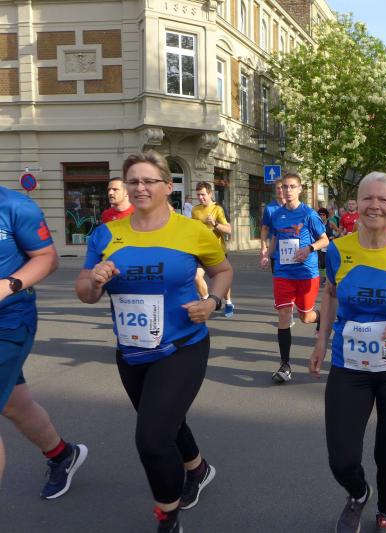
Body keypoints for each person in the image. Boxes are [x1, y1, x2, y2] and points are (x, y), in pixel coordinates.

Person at [75, 151, 233, 533]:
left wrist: (212, 302)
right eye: (133, 181)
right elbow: (85, 293)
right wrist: (95, 280)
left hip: (183, 346)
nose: (140, 187)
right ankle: (198, 469)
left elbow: (222, 270)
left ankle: (168, 517)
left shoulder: (193, 231)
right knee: (164, 419)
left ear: (167, 186)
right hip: (132, 350)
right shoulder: (106, 234)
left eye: (149, 181)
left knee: (151, 439)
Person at [309, 171, 386, 533]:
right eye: (367, 198)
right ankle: (358, 492)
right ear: (358, 203)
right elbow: (330, 293)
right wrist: (321, 341)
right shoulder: (339, 249)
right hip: (350, 366)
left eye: (383, 199)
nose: (374, 205)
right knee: (341, 457)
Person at [0, 185, 88, 497]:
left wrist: (7, 286)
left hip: (8, 321)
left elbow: (48, 258)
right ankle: (62, 454)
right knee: (14, 404)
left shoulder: (14, 206)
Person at [267, 173, 329, 383]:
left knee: (305, 317)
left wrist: (309, 248)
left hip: (306, 273)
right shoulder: (277, 214)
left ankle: (321, 317)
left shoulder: (309, 214)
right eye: (285, 187)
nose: (288, 190)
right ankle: (285, 365)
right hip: (283, 273)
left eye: (292, 186)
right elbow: (275, 237)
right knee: (284, 314)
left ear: (300, 189)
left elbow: (325, 240)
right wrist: (267, 255)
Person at [192, 182, 235, 317]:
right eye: (198, 195)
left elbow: (229, 230)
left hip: (217, 251)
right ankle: (207, 301)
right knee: (197, 277)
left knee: (221, 280)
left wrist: (215, 224)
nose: (200, 197)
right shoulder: (195, 210)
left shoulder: (218, 209)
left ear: (210, 194)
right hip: (200, 251)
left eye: (203, 194)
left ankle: (228, 302)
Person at [259, 178, 285, 271]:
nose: (280, 190)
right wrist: (263, 247)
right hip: (275, 251)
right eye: (278, 188)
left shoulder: (293, 207)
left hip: (292, 252)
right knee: (278, 278)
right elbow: (265, 228)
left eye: (282, 187)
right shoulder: (269, 208)